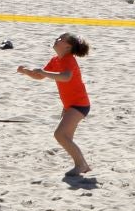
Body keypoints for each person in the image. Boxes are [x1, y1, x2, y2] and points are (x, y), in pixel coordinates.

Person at [19, 33, 92, 176]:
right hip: (69, 105)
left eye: (60, 39)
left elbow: (66, 77)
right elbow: (39, 76)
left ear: (67, 47)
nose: (56, 40)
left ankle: (81, 165)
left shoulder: (69, 60)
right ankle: (83, 165)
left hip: (79, 105)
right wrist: (25, 71)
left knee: (60, 135)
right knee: (65, 137)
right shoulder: (56, 60)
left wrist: (45, 73)